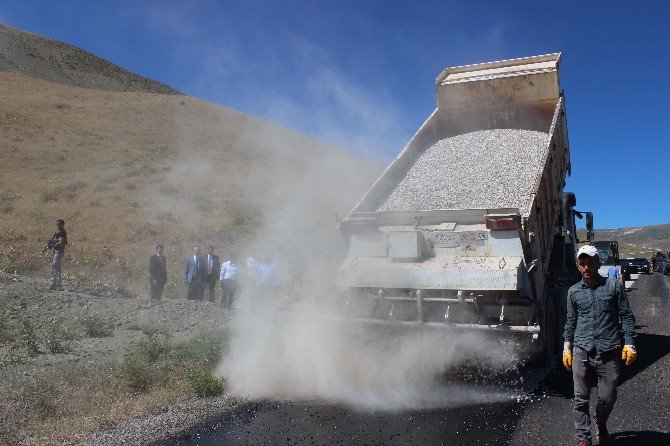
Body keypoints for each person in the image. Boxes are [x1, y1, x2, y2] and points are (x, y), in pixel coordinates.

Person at [562, 245, 637, 446]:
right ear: (578, 267)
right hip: (582, 350)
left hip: (609, 349)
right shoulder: (573, 292)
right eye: (582, 264)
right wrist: (566, 347)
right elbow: (570, 321)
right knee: (581, 399)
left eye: (590, 263)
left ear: (598, 263)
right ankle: (584, 438)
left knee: (609, 395)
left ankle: (600, 420)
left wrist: (629, 343)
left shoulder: (613, 286)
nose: (586, 267)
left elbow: (627, 316)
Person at [45, 219, 68, 290]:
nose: (58, 225)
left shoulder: (61, 232)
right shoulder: (58, 232)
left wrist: (53, 245)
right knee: (57, 267)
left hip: (59, 251)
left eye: (59, 224)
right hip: (57, 251)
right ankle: (58, 284)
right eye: (57, 224)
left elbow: (61, 242)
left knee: (54, 265)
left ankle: (54, 284)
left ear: (62, 225)